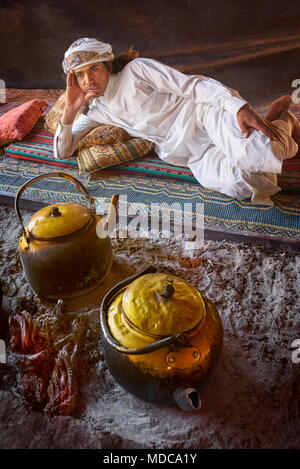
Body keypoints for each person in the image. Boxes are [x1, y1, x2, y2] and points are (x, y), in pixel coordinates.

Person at [54, 37, 300, 205]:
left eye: (94, 69)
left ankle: (279, 121)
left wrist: (239, 107)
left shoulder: (137, 70)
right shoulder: (95, 110)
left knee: (256, 153)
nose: (88, 80)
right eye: (80, 75)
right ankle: (279, 119)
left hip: (205, 116)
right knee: (243, 185)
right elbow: (62, 151)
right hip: (191, 153)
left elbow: (192, 86)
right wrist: (70, 112)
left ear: (107, 65)